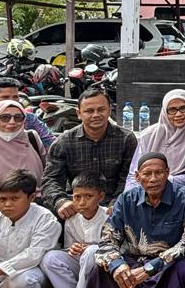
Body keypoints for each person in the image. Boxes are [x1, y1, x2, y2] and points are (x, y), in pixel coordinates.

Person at [86, 152, 185, 288]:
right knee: (99, 269)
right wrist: (118, 266)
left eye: (159, 173)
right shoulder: (126, 199)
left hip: (166, 263)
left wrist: (151, 268)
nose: (153, 179)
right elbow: (108, 239)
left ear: (167, 172)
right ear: (137, 176)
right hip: (132, 260)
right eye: (147, 174)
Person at [39, 87, 138, 219]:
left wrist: (118, 204)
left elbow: (129, 178)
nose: (96, 115)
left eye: (101, 109)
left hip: (116, 208)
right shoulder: (64, 142)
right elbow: (51, 179)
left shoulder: (126, 139)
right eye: (89, 111)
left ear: (110, 110)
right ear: (79, 113)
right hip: (77, 209)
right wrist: (60, 202)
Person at [41, 171, 108, 288]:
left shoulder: (108, 216)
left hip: (103, 267)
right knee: (50, 258)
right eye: (77, 197)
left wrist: (91, 248)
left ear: (101, 197)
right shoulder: (72, 219)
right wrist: (73, 248)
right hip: (80, 264)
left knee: (92, 251)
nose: (82, 202)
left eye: (88, 196)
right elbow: (69, 249)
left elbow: (117, 249)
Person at [126, 89, 185, 189]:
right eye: (172, 110)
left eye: (183, 108)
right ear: (165, 112)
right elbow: (134, 174)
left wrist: (168, 180)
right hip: (149, 189)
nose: (178, 114)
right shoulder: (149, 136)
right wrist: (130, 195)